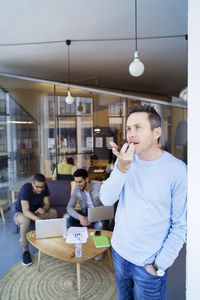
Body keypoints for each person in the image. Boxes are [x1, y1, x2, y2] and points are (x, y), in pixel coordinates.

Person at [100, 104, 187, 300]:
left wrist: (159, 265)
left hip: (148, 263)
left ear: (157, 132)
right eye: (129, 128)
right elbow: (105, 199)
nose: (131, 134)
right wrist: (122, 167)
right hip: (120, 255)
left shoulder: (177, 170)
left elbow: (180, 225)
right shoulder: (126, 161)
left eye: (138, 127)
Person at [14, 173, 58, 266]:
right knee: (26, 221)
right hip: (21, 214)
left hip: (36, 213)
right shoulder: (26, 188)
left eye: (42, 187)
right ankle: (25, 251)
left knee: (53, 212)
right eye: (37, 187)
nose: (40, 189)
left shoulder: (45, 188)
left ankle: (53, 243)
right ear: (33, 184)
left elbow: (47, 204)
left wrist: (44, 209)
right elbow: (25, 211)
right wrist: (38, 219)